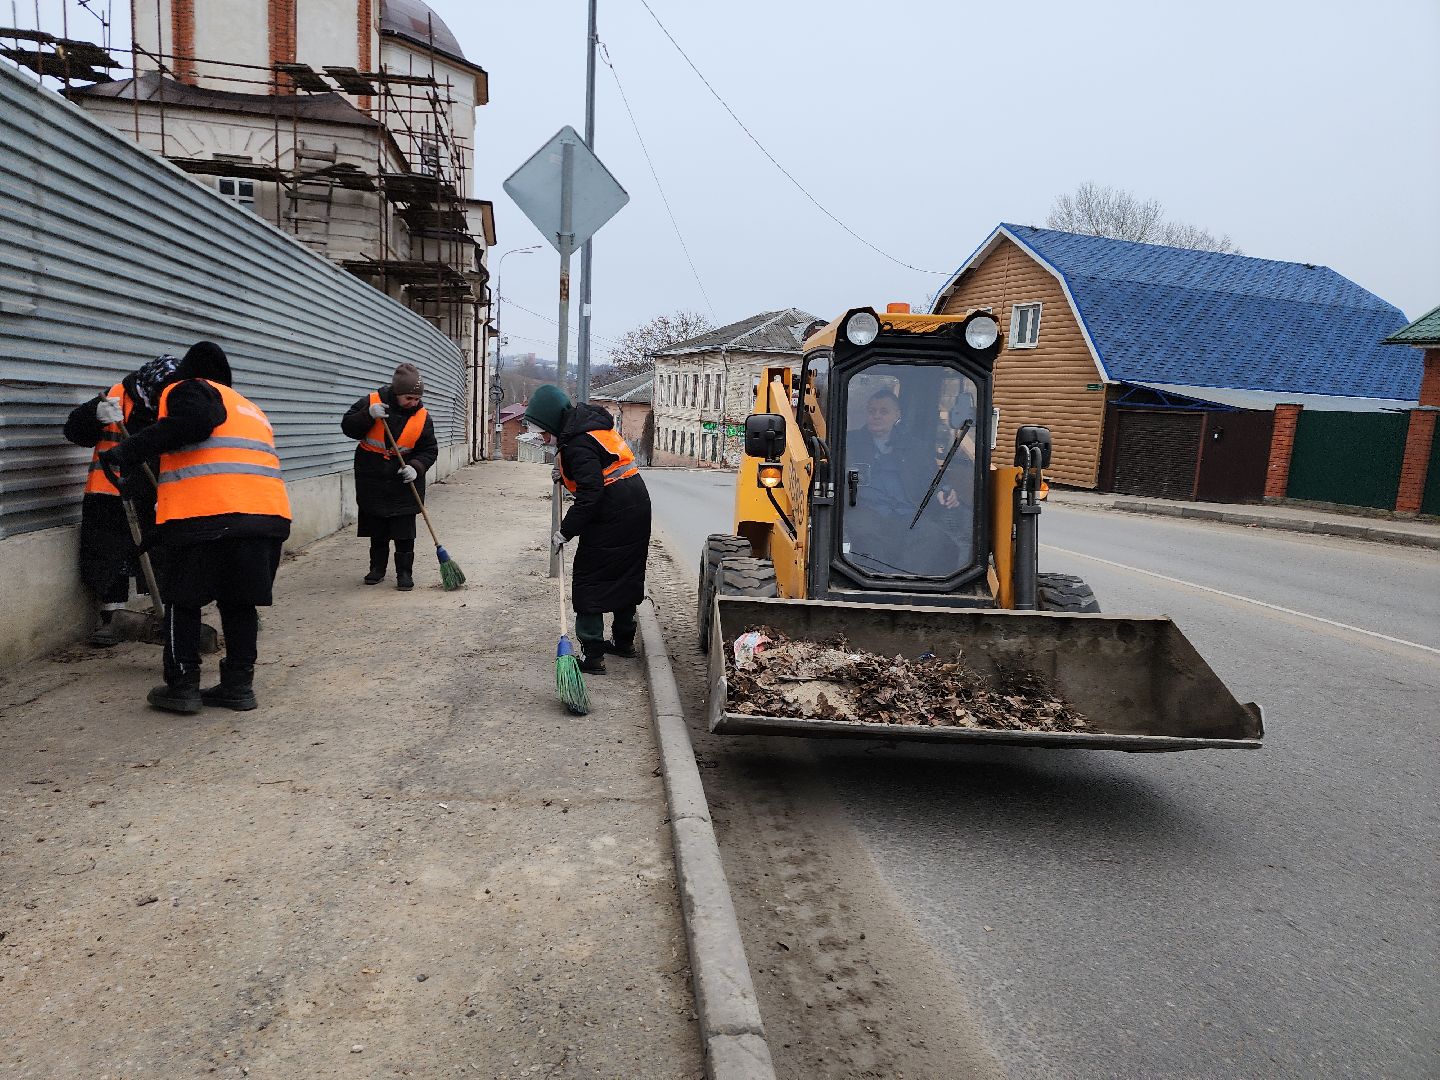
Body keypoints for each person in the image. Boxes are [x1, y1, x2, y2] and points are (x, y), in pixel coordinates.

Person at [100, 341, 291, 714]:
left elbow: (196, 424)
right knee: (239, 603)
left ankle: (183, 685)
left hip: (207, 519)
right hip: (265, 519)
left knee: (182, 602)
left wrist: (126, 451)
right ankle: (238, 687)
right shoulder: (250, 408)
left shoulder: (188, 388)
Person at [523, 384, 651, 675]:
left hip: (612, 513)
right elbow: (597, 471)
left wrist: (565, 531)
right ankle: (624, 642)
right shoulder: (591, 428)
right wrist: (565, 475)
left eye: (543, 430)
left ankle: (593, 654)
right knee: (625, 574)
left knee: (590, 579)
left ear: (553, 421)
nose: (542, 437)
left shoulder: (577, 443)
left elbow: (591, 493)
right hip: (636, 505)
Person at [63, 354, 179, 645]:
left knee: (161, 553)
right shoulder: (114, 398)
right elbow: (74, 431)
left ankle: (165, 616)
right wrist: (95, 416)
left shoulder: (172, 403)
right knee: (107, 553)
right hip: (109, 492)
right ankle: (112, 619)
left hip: (152, 492)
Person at [843, 387, 971, 577]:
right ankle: (877, 585)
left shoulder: (915, 447)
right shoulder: (848, 443)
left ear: (897, 414)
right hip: (866, 512)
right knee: (867, 536)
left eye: (883, 411)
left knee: (935, 537)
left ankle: (900, 584)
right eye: (872, 411)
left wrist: (945, 490)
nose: (876, 416)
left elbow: (932, 478)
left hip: (907, 515)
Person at [341, 363, 438, 591]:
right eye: (408, 398)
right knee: (378, 529)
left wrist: (416, 466)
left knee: (404, 532)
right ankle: (377, 569)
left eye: (416, 398)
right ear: (396, 393)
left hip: (403, 483)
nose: (413, 403)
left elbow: (429, 449)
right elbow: (348, 427)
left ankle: (404, 573)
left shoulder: (423, 417)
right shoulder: (372, 402)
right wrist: (367, 415)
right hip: (373, 479)